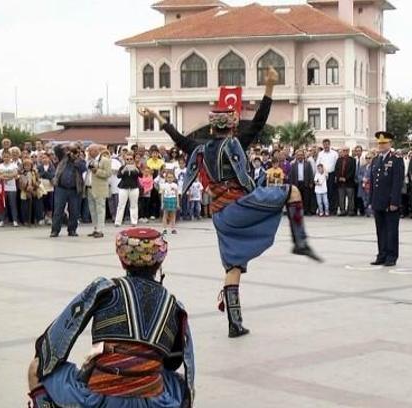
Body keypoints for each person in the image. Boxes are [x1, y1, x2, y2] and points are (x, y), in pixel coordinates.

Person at [141, 66, 320, 338]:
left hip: (220, 217)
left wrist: (157, 117)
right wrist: (269, 87)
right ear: (233, 125)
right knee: (292, 192)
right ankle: (300, 242)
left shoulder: (198, 149)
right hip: (238, 207)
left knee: (233, 267)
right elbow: (259, 121)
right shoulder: (235, 144)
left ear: (212, 127)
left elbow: (178, 138)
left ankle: (235, 324)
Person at [26, 228, 197, 408]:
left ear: (122, 259)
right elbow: (174, 362)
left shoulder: (105, 290)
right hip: (153, 407)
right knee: (180, 387)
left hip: (99, 403)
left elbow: (55, 344)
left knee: (36, 369)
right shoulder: (174, 306)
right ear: (160, 260)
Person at [370, 131, 404, 267]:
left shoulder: (396, 159)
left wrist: (394, 201)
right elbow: (373, 181)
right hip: (378, 200)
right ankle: (382, 254)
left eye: (384, 143)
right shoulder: (376, 159)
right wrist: (372, 200)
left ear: (390, 144)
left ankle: (391, 256)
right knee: (380, 230)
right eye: (379, 143)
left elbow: (397, 182)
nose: (381, 145)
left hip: (390, 201)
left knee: (391, 230)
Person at [51, 143, 87, 237]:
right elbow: (56, 148)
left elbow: (83, 168)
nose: (74, 153)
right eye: (73, 151)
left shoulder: (81, 161)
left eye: (76, 151)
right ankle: (55, 230)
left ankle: (72, 230)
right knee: (58, 210)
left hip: (74, 189)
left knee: (74, 211)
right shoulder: (63, 157)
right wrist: (67, 147)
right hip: (61, 188)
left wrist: (76, 158)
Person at [85, 145, 111, 238]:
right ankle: (95, 228)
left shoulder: (105, 160)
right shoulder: (89, 160)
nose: (88, 153)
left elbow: (108, 174)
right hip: (89, 188)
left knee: (100, 209)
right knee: (92, 209)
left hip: (99, 188)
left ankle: (100, 230)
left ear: (95, 151)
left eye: (90, 151)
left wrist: (97, 171)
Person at [115, 153, 141, 227]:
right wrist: (124, 169)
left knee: (134, 205)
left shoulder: (136, 167)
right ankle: (118, 222)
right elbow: (118, 176)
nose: (129, 161)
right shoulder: (122, 167)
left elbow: (141, 175)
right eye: (127, 159)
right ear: (125, 160)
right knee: (121, 205)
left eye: (131, 159)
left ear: (133, 160)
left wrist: (136, 168)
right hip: (123, 188)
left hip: (134, 187)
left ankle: (134, 221)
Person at [0, 150, 20, 227]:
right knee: (2, 204)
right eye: (4, 156)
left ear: (10, 157)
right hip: (2, 188)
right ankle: (2, 220)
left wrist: (5, 176)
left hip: (12, 187)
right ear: (2, 157)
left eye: (8, 156)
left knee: (13, 204)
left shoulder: (13, 165)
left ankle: (15, 220)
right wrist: (9, 176)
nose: (6, 158)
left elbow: (15, 174)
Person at [288, 149, 315, 216]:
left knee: (306, 198)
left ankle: (306, 211)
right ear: (296, 156)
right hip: (296, 183)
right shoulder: (293, 165)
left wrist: (311, 182)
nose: (300, 156)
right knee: (297, 199)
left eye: (301, 155)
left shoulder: (308, 163)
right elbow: (291, 175)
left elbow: (311, 173)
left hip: (305, 183)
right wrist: (292, 185)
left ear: (303, 156)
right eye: (298, 155)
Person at [316, 139, 339, 215]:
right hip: (322, 175)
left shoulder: (334, 153)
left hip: (331, 174)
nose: (326, 146)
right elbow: (318, 164)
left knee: (331, 192)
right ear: (323, 145)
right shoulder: (320, 154)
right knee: (322, 192)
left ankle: (332, 209)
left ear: (329, 144)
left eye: (327, 144)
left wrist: (336, 176)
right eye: (324, 144)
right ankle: (322, 210)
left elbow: (337, 165)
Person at [335, 146, 357, 216]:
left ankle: (350, 210)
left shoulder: (352, 160)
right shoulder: (339, 160)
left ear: (348, 151)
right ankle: (342, 210)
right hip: (340, 182)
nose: (345, 152)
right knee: (341, 197)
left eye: (346, 150)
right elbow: (336, 170)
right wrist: (339, 178)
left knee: (350, 197)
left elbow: (352, 171)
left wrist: (346, 178)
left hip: (349, 182)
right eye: (343, 150)